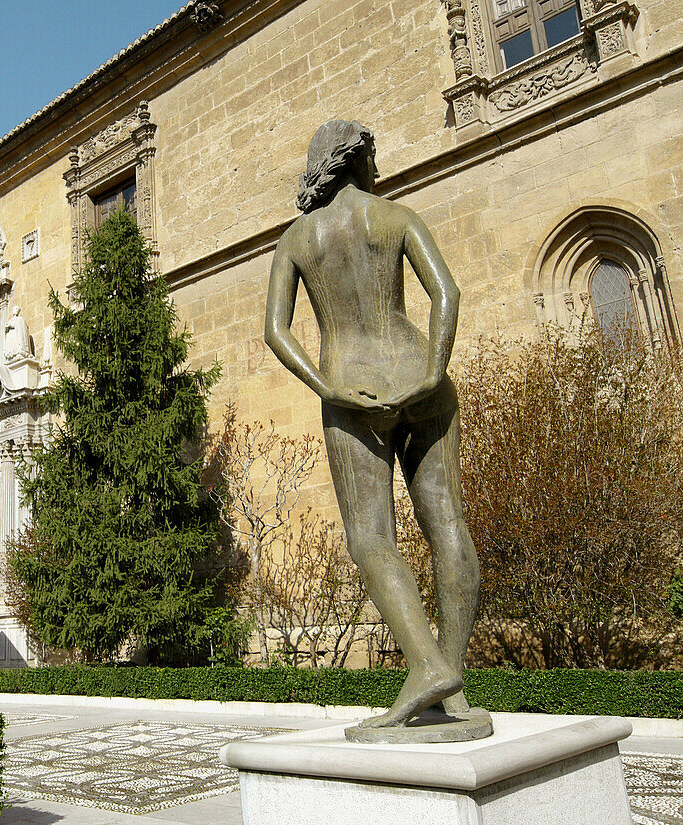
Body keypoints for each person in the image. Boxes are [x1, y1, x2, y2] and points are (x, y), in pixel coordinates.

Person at [264, 120, 481, 730]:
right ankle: (450, 681)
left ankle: (430, 668)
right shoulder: (395, 216)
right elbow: (448, 293)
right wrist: (435, 369)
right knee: (447, 522)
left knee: (370, 538)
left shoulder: (298, 239)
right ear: (358, 163)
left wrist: (327, 386)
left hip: (352, 387)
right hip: (419, 373)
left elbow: (275, 331)